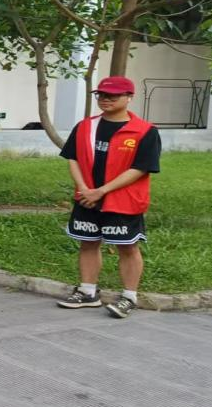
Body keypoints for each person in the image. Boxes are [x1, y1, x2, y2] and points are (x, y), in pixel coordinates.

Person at [56, 76, 162, 319]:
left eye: (112, 96)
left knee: (127, 247)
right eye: (101, 95)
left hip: (123, 201)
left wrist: (101, 191)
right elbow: (73, 158)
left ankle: (129, 297)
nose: (105, 99)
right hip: (86, 198)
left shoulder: (145, 131)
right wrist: (84, 189)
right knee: (88, 242)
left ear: (129, 97)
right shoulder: (85, 126)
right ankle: (88, 292)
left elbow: (141, 168)